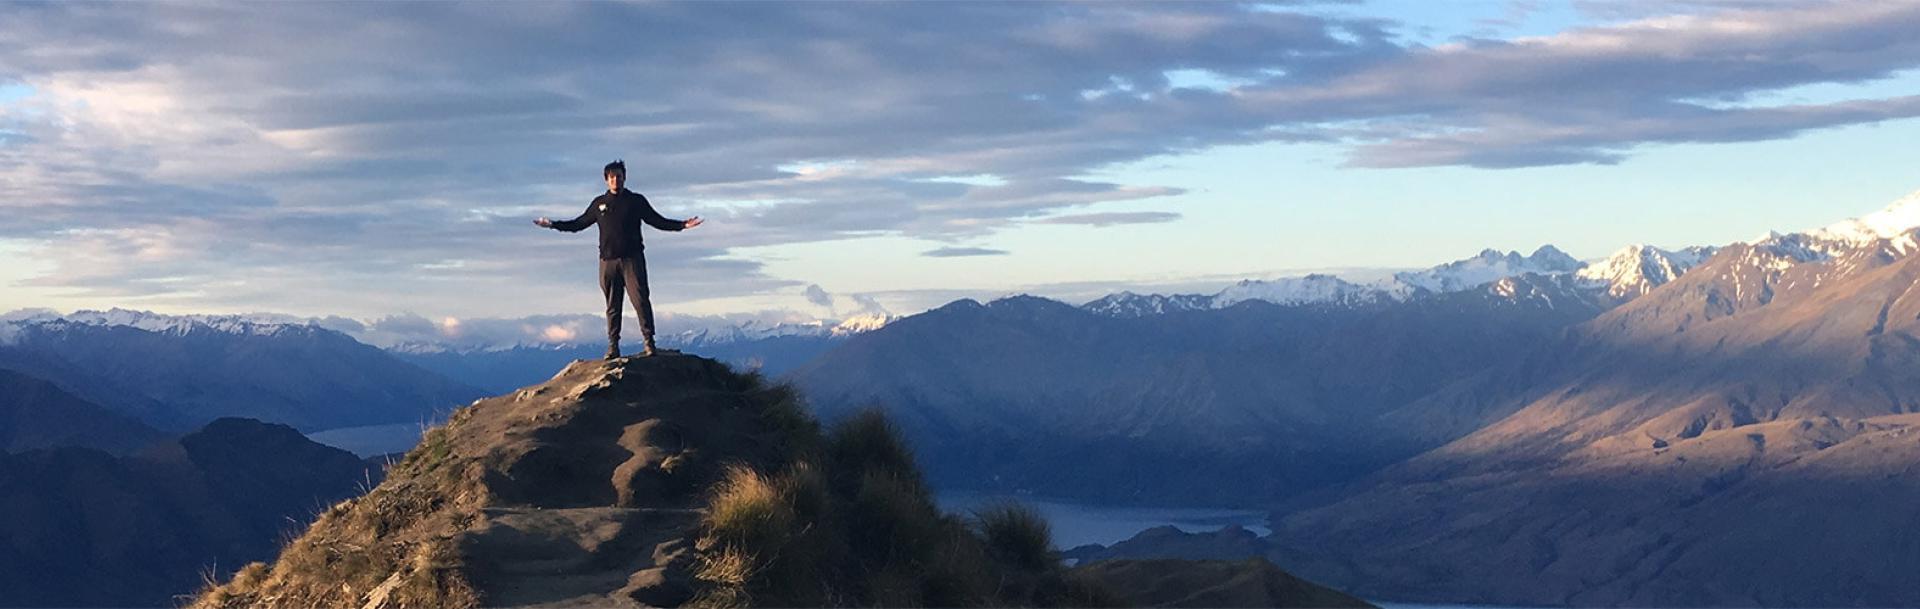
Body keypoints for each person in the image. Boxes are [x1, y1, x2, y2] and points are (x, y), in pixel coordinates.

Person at [535, 160, 704, 359]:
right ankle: (613, 346)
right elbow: (578, 224)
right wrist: (553, 225)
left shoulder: (636, 201)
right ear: (606, 180)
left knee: (640, 300)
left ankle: (649, 343)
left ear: (625, 178)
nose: (616, 180)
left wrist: (683, 225)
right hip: (607, 262)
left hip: (632, 260)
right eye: (612, 177)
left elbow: (657, 220)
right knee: (613, 305)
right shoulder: (599, 204)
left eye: (620, 176)